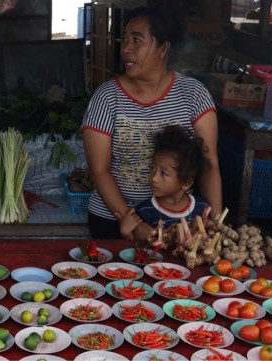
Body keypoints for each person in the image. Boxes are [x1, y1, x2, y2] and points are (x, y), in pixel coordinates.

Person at [81, 6, 222, 240]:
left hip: (182, 226)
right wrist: (132, 222)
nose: (126, 48)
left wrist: (216, 226)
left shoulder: (194, 94)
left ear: (163, 48)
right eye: (125, 39)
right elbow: (99, 170)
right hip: (114, 222)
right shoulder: (106, 98)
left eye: (137, 40)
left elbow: (209, 165)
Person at [117, 125, 211, 240]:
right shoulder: (144, 211)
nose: (153, 178)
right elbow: (138, 250)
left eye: (163, 173)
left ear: (186, 182)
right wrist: (126, 233)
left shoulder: (202, 208)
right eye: (153, 169)